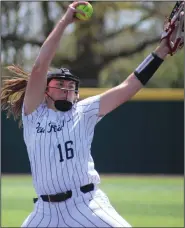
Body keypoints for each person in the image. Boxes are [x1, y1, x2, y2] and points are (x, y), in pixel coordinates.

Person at [1, 1, 184, 227]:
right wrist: (65, 21)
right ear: (45, 90)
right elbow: (40, 66)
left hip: (84, 204)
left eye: (71, 86)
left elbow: (127, 87)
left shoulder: (84, 111)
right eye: (60, 83)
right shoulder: (33, 114)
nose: (67, 89)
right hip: (44, 212)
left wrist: (162, 51)